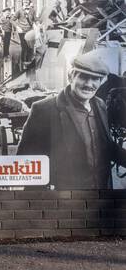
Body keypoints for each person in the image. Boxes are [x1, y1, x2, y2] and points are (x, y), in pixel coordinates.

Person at [17, 48, 126, 189]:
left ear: (101, 82)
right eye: (83, 77)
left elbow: (107, 147)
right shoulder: (44, 109)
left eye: (95, 79)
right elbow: (27, 160)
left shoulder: (100, 106)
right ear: (71, 77)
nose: (89, 84)